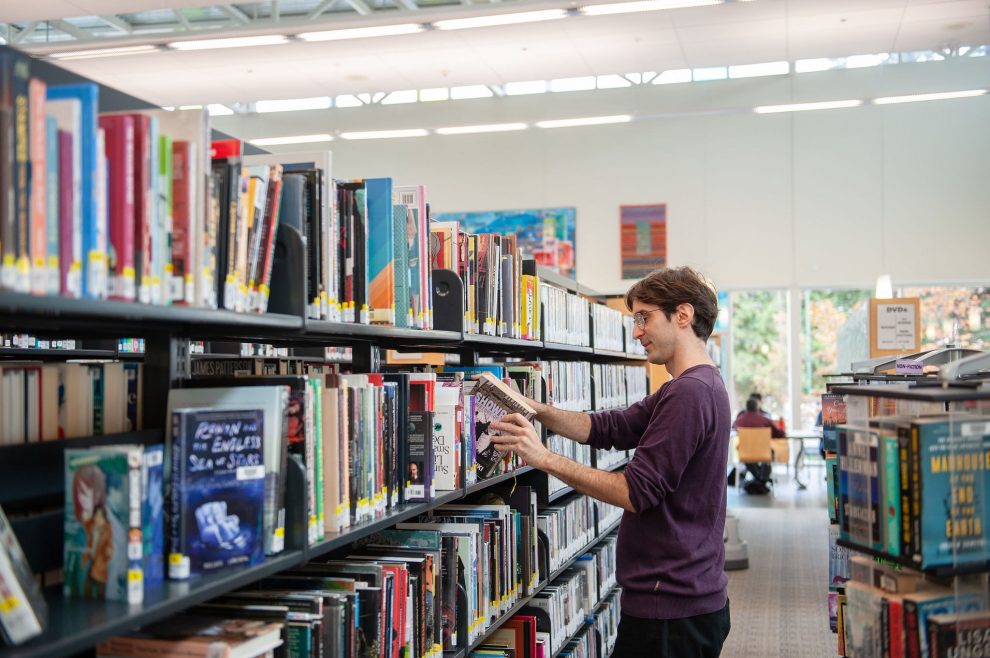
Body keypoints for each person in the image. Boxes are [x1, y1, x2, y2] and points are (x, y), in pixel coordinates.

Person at [490, 266, 731, 658]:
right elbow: (609, 427)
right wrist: (534, 409)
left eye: (644, 317)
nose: (636, 331)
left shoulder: (690, 394)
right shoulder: (692, 386)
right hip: (678, 599)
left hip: (673, 608)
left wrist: (543, 457)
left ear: (683, 316)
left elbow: (634, 492)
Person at [732, 397, 785, 494]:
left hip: (745, 454)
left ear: (746, 408)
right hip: (764, 453)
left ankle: (758, 481)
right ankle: (762, 481)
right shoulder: (765, 420)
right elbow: (779, 434)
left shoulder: (739, 421)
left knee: (745, 455)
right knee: (770, 453)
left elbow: (733, 429)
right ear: (757, 408)